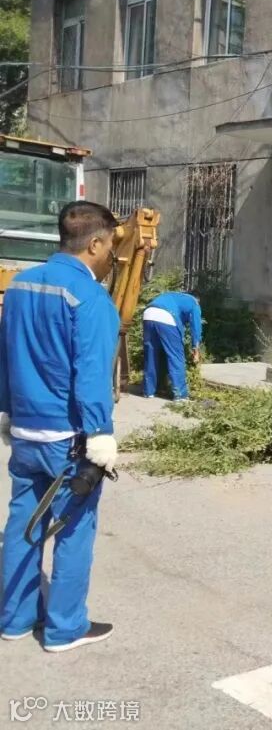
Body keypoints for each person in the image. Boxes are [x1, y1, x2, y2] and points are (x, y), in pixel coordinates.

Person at [0, 201, 121, 652]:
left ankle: (14, 619)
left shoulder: (20, 284)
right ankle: (64, 629)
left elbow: (6, 352)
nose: (111, 257)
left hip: (26, 431)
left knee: (23, 525)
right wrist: (100, 434)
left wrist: (7, 409)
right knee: (73, 529)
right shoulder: (89, 297)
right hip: (68, 438)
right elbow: (92, 372)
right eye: (110, 247)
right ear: (95, 243)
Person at [142, 290, 203, 401]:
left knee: (151, 354)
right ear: (198, 299)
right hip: (167, 317)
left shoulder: (174, 296)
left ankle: (149, 391)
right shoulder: (194, 302)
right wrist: (196, 347)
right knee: (176, 356)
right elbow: (196, 327)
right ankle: (180, 395)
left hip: (148, 314)